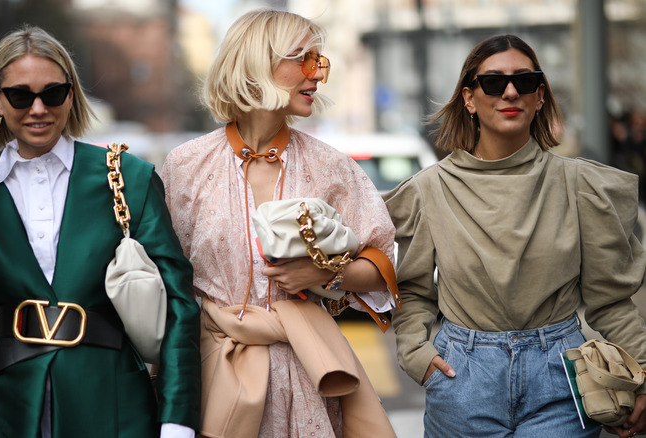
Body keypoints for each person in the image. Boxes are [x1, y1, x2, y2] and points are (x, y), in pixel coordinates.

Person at [0, 25, 200, 438]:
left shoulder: (125, 175)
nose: (38, 108)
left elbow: (180, 302)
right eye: (21, 96)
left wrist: (177, 419)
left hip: (112, 401)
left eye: (52, 93)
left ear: (71, 95)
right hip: (7, 406)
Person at [384, 34, 646, 438]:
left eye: (525, 81)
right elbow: (413, 291)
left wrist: (643, 371)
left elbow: (610, 300)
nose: (510, 91)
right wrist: (417, 355)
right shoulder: (429, 190)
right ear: (469, 98)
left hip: (561, 379)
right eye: (493, 82)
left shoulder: (579, 185)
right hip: (461, 380)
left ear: (539, 96)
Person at [161, 9, 397, 438]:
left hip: (310, 376)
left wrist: (329, 272)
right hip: (216, 369)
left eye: (319, 62)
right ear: (257, 63)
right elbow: (167, 286)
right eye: (303, 59)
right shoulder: (185, 166)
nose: (318, 74)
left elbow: (382, 264)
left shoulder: (332, 168)